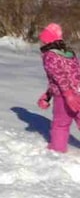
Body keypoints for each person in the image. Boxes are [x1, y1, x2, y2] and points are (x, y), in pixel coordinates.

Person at [37, 22, 80, 154]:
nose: (41, 42)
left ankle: (57, 149)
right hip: (78, 91)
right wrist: (47, 95)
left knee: (61, 124)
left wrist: (68, 95)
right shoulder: (69, 53)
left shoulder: (50, 56)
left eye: (42, 39)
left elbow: (59, 77)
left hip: (64, 96)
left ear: (47, 40)